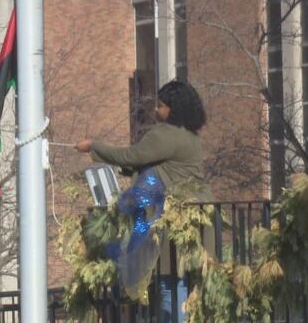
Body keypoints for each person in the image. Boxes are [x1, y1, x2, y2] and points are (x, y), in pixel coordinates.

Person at [75, 80, 208, 323]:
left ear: (173, 109)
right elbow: (153, 166)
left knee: (169, 284)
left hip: (171, 223)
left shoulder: (167, 134)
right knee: (178, 283)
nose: (156, 110)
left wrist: (93, 147)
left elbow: (132, 155)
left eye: (160, 106)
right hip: (193, 221)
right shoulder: (190, 136)